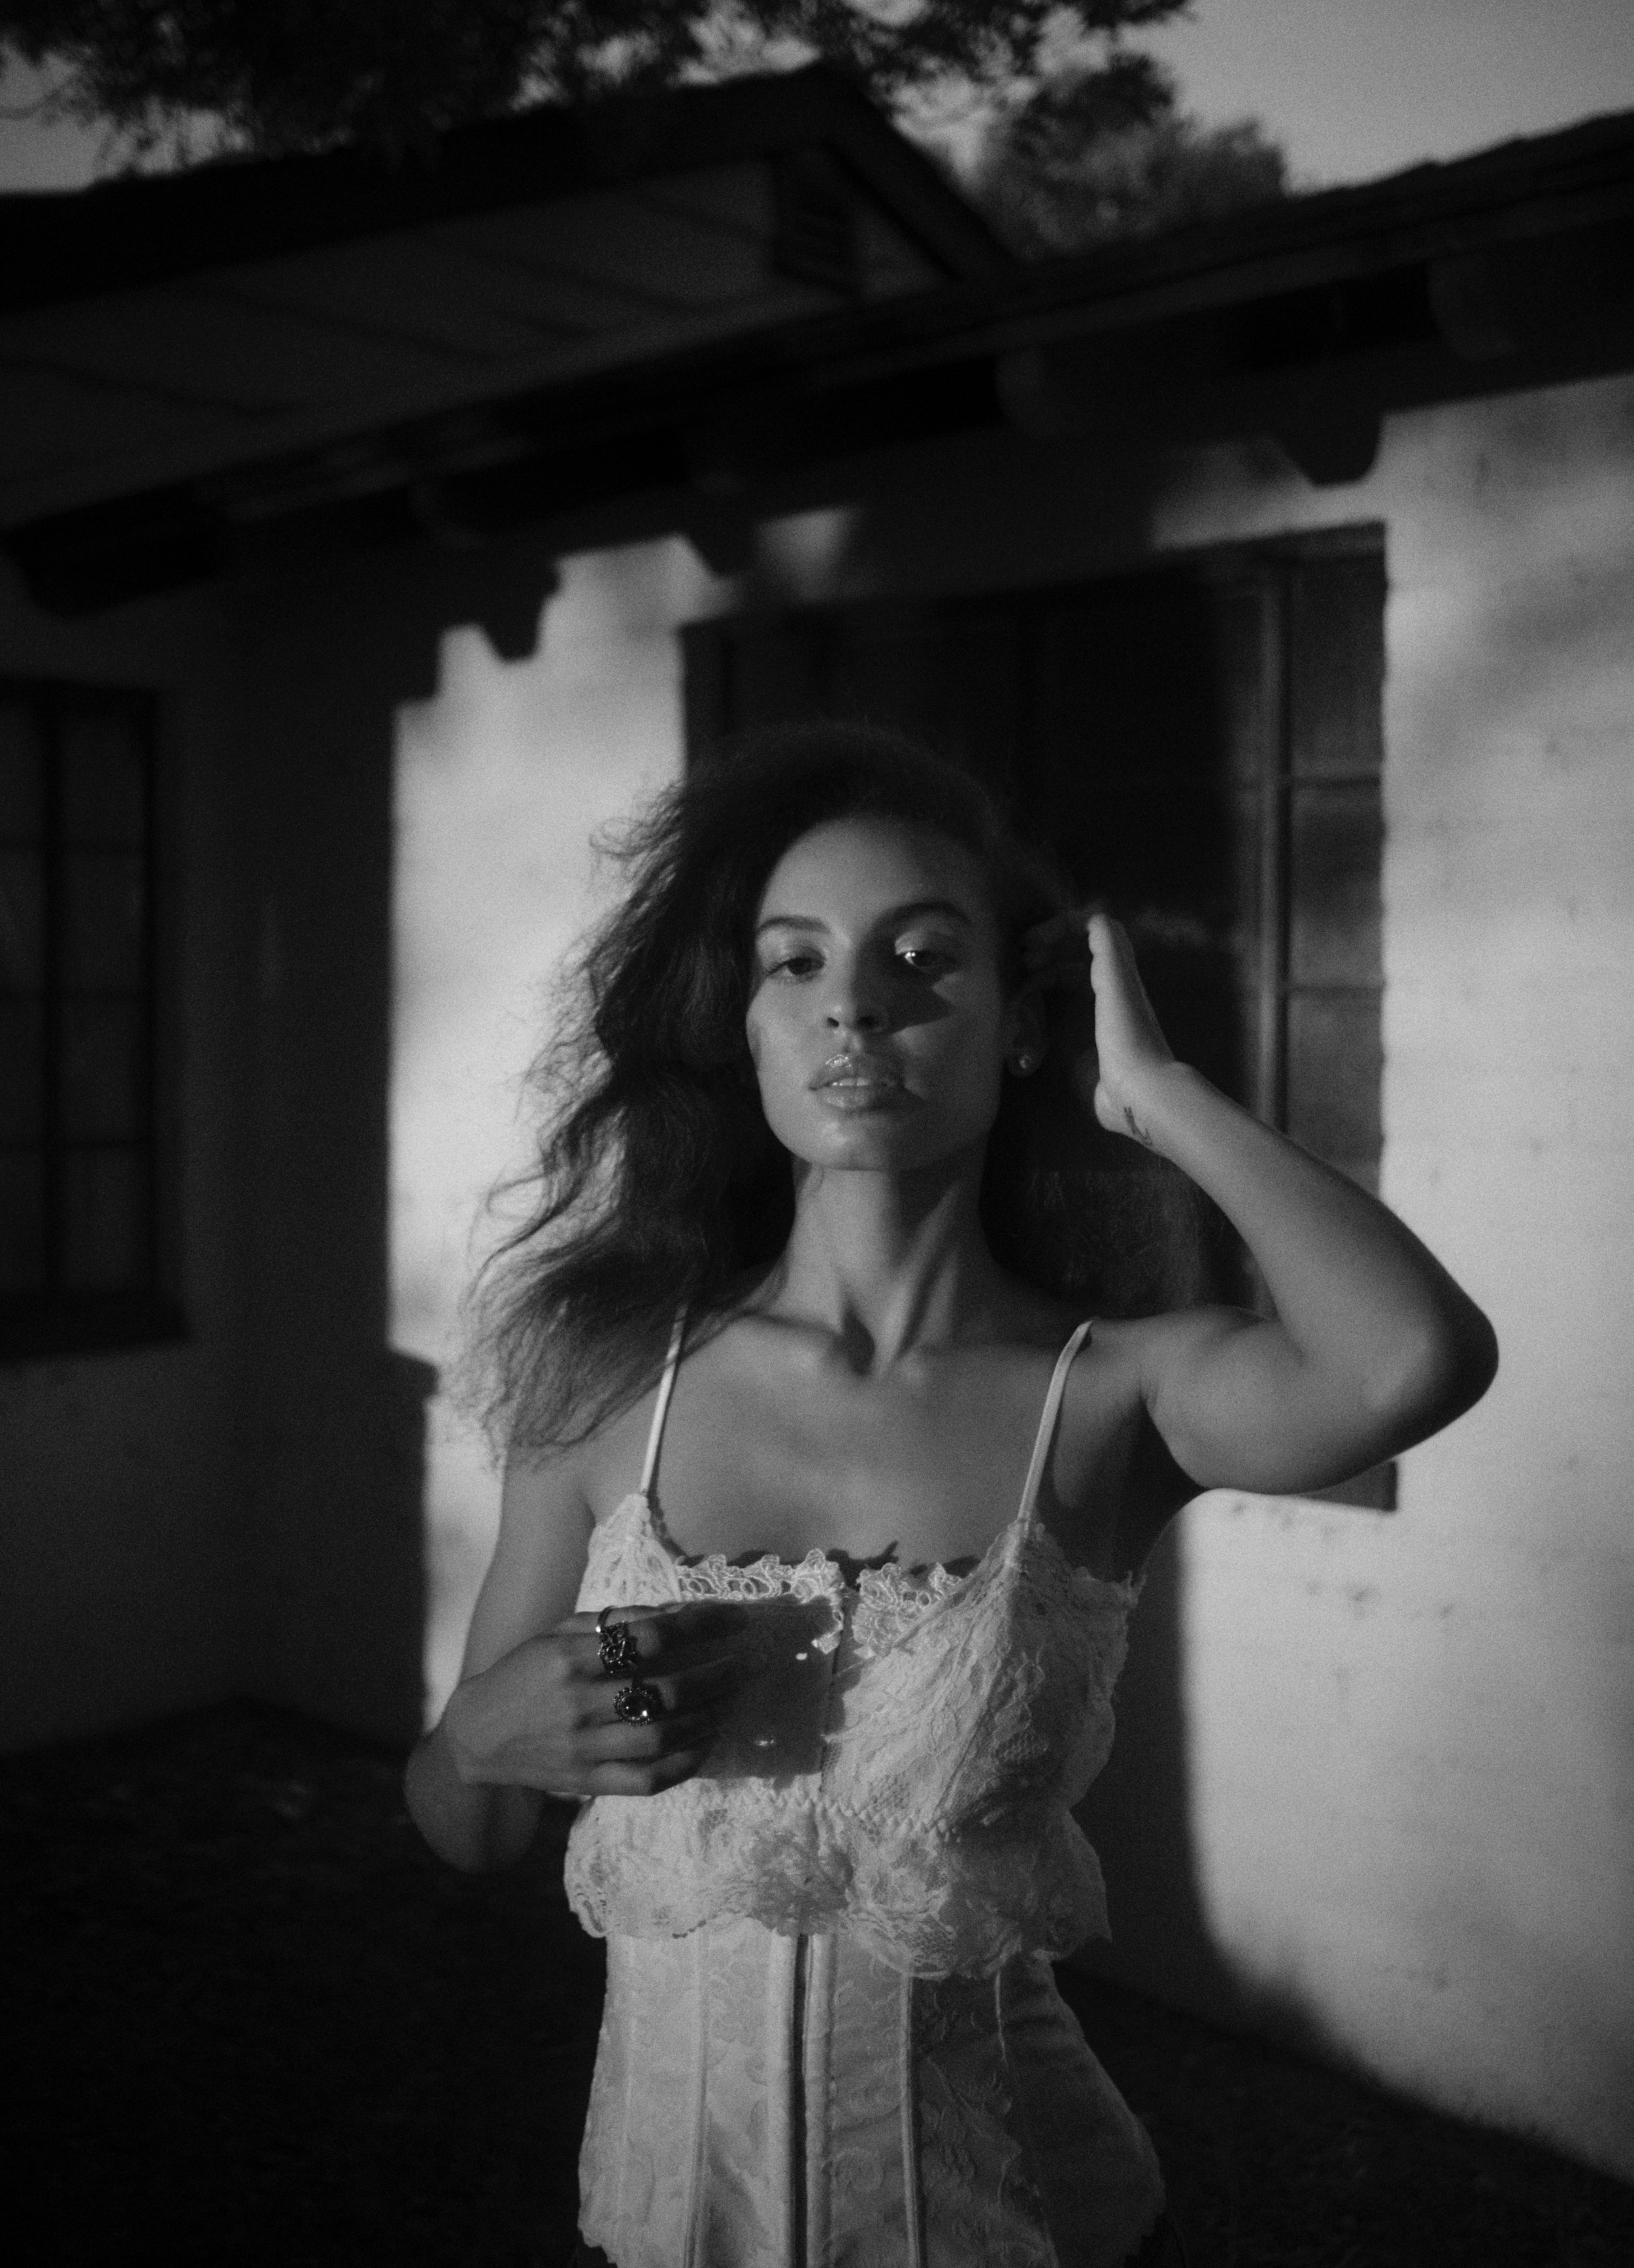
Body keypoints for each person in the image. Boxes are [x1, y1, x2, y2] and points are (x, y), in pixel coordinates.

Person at [405, 722, 1497, 2268]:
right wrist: (474, 1738)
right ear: (743, 1023)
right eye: (794, 962)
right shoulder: (602, 1379)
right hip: (669, 2227)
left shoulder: (1111, 1393)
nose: (852, 1003)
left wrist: (1157, 1090)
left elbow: (1409, 1362)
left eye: (920, 958)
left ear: (1021, 1022)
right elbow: (468, 1830)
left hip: (1019, 2224)